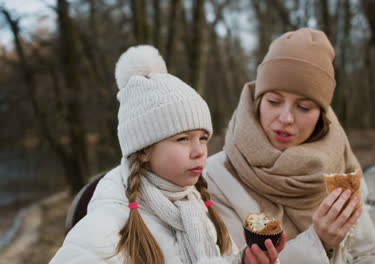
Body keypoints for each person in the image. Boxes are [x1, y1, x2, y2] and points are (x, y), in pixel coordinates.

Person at [49, 45, 285, 264]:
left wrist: (242, 261)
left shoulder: (196, 207)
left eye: (202, 138)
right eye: (182, 139)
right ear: (143, 149)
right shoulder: (106, 227)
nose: (199, 151)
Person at [204, 28, 375, 263]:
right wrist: (319, 242)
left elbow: (369, 256)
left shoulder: (341, 170)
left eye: (303, 107)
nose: (286, 118)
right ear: (257, 100)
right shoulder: (215, 178)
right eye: (274, 101)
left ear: (321, 115)